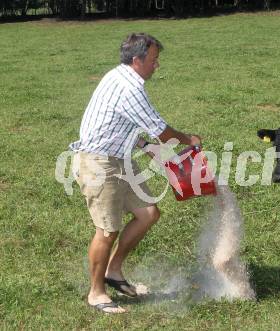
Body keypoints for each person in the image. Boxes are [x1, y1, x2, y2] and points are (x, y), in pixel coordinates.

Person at [70, 33, 201, 314]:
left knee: (148, 214)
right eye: (153, 60)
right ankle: (96, 293)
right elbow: (163, 131)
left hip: (120, 158)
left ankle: (114, 271)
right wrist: (188, 139)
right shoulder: (131, 88)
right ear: (137, 59)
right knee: (107, 230)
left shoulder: (118, 75)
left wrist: (145, 145)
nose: (157, 65)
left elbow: (118, 121)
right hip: (99, 163)